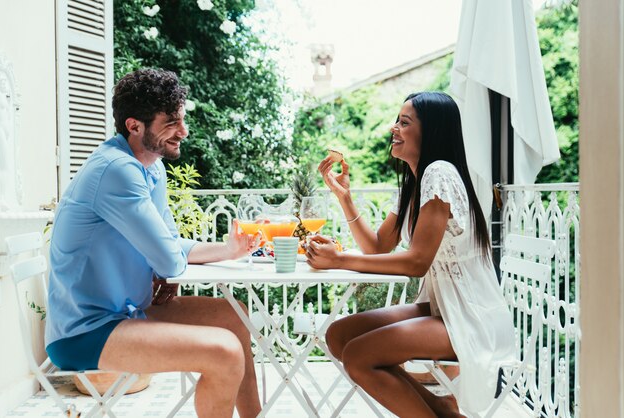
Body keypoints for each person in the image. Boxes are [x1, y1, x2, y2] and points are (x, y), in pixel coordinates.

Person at [45, 69, 261, 418]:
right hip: (87, 330)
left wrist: (229, 250)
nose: (184, 131)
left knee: (232, 315)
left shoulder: (151, 166)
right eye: (171, 122)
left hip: (128, 310)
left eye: (182, 119)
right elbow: (169, 259)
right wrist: (165, 266)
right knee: (223, 352)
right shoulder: (116, 170)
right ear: (134, 126)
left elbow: (170, 246)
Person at [306, 92, 515, 417]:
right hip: (444, 309)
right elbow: (377, 246)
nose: (394, 128)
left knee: (359, 355)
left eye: (404, 122)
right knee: (339, 335)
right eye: (397, 121)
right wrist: (344, 198)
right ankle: (442, 408)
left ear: (431, 131)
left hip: (472, 318)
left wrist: (338, 259)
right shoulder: (415, 184)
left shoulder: (440, 175)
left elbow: (417, 262)